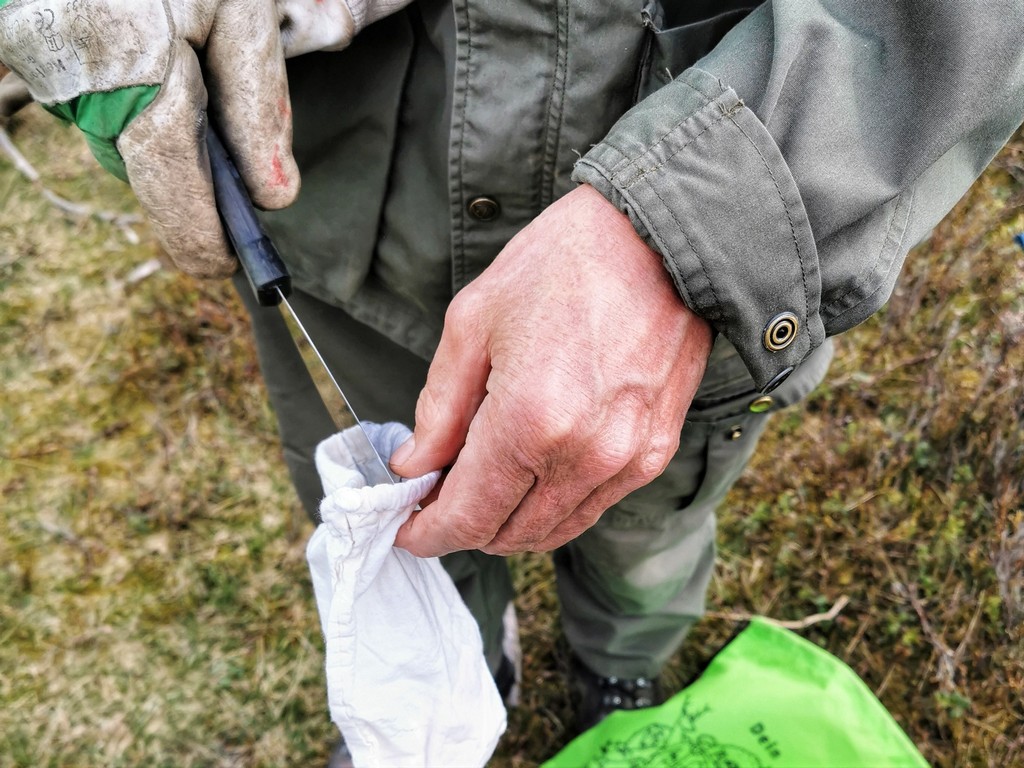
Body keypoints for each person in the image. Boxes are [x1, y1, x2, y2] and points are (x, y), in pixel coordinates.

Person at [2, 1, 1022, 764]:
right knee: (390, 502)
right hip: (346, 208)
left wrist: (696, 225)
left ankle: (620, 663)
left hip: (701, 140)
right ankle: (456, 666)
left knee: (646, 517)